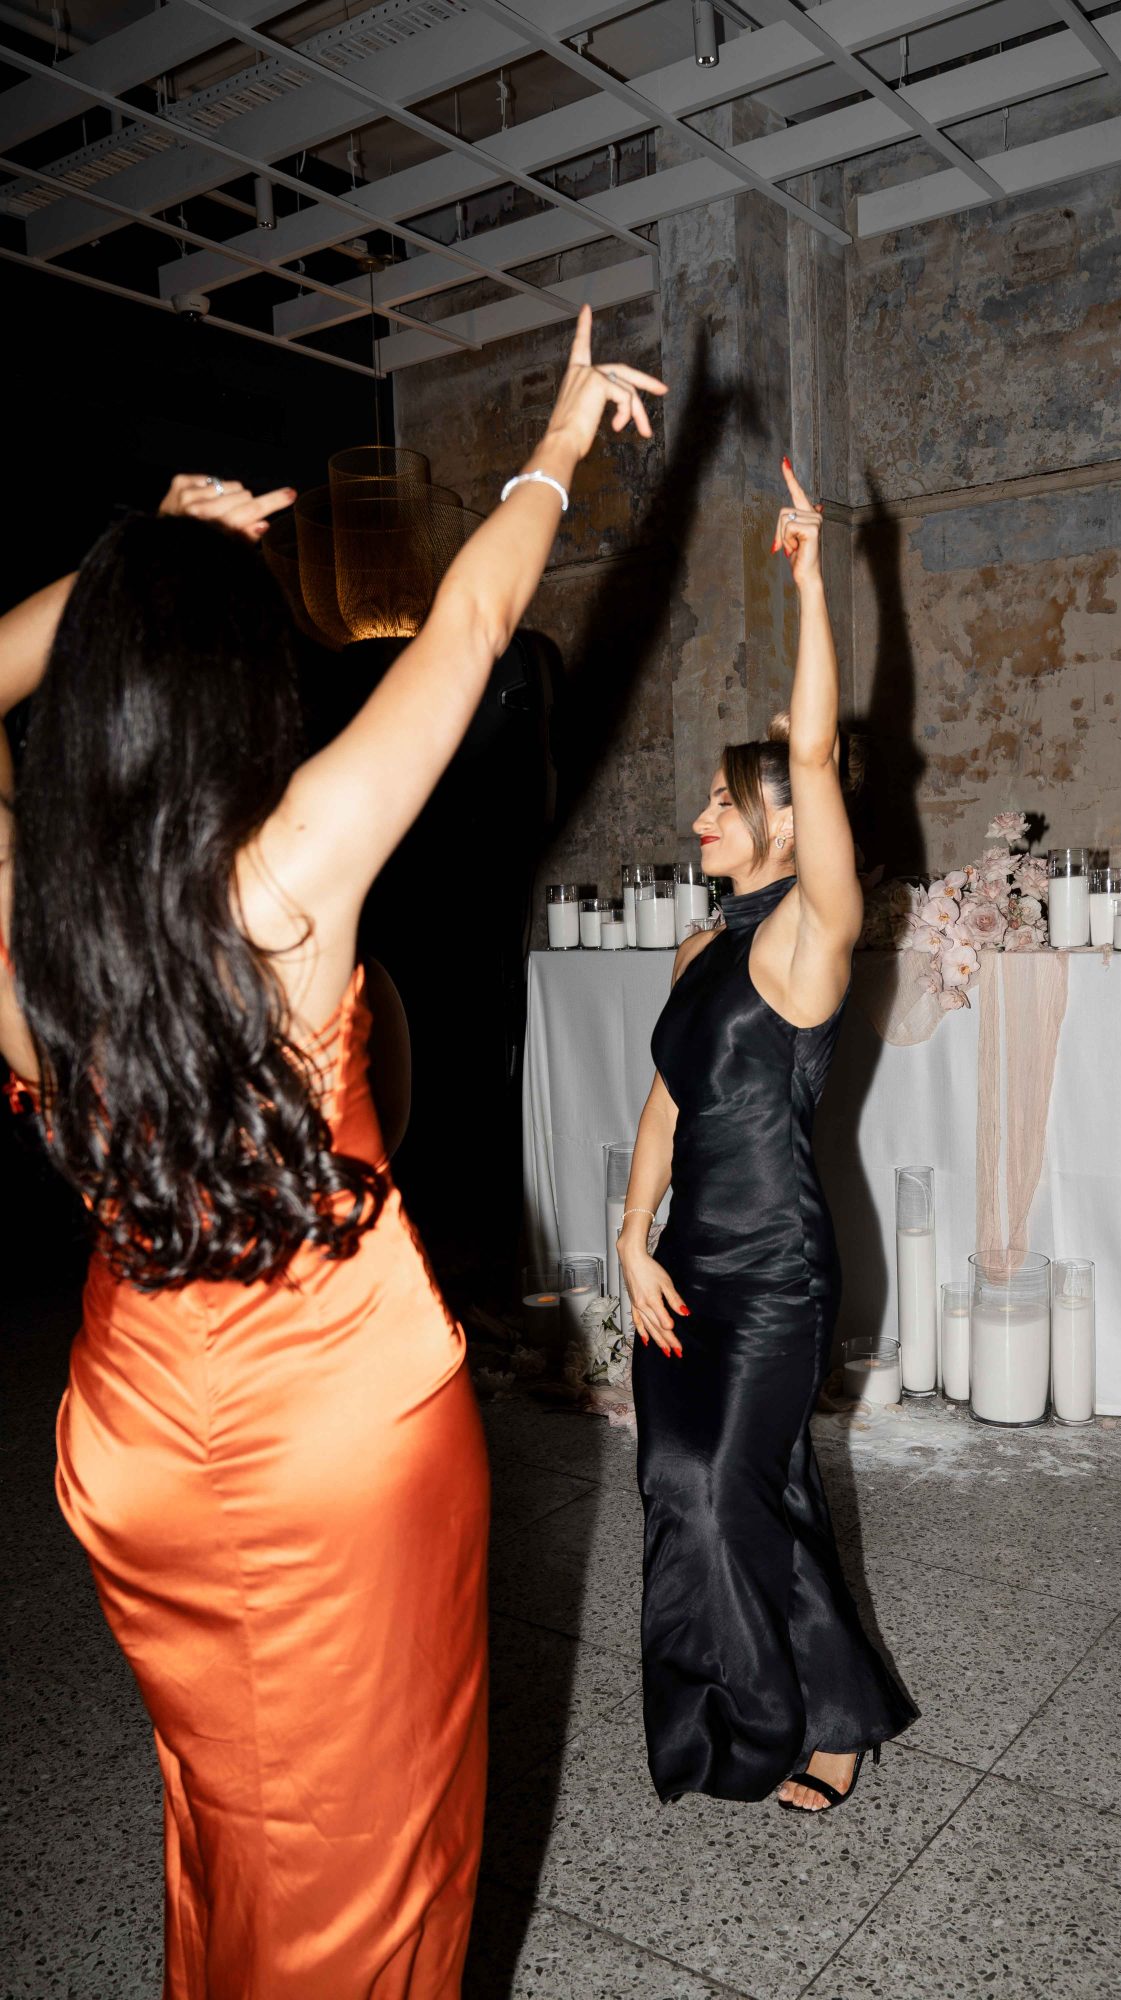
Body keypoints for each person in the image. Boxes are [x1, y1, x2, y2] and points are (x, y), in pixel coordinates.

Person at [0, 308, 665, 1997]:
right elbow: (475, 622)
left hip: (133, 1441)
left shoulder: (34, 930)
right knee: (373, 1846)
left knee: (232, 1812)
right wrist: (554, 447)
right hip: (336, 1435)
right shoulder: (291, 870)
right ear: (241, 694)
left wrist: (120, 571)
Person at [617, 459, 919, 1815]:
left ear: (785, 825)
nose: (697, 819)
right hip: (684, 1264)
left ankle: (801, 1713)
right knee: (703, 1486)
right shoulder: (698, 948)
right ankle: (800, 1713)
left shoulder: (811, 939)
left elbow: (809, 753)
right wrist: (629, 1237)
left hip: (776, 1274)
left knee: (715, 1486)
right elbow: (664, 1103)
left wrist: (810, 584)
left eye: (719, 803)